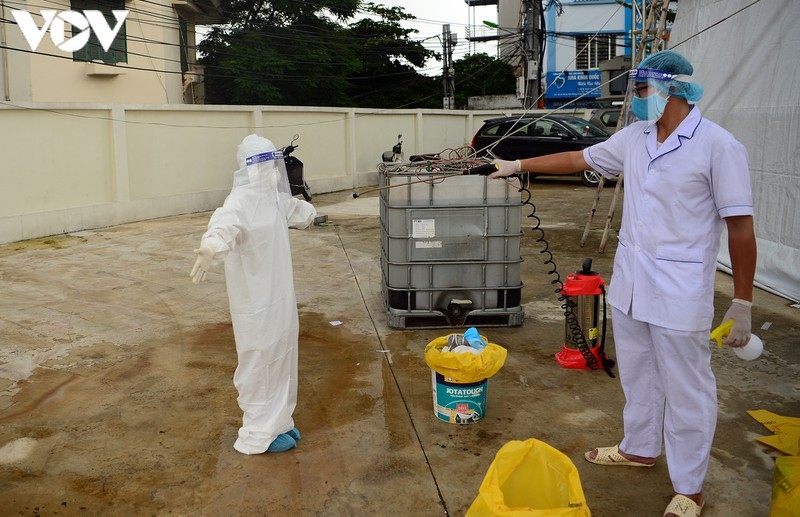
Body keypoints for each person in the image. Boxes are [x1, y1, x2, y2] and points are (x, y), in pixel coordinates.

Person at [490, 50, 757, 517]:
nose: (634, 100)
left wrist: (743, 301)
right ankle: (639, 448)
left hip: (680, 290)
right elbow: (578, 156)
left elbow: (739, 225)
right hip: (632, 284)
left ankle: (690, 488)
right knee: (638, 376)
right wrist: (517, 167)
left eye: (640, 90)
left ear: (673, 89)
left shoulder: (718, 145)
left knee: (687, 389)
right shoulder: (634, 138)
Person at [189, 134, 316, 454]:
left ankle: (280, 420)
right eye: (262, 164)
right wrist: (210, 247)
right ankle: (259, 429)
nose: (270, 172)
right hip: (255, 302)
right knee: (259, 359)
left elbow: (296, 211)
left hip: (280, 296)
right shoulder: (240, 202)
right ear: (247, 168)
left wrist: (310, 213)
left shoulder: (272, 198)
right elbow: (224, 225)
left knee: (284, 352)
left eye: (272, 164)